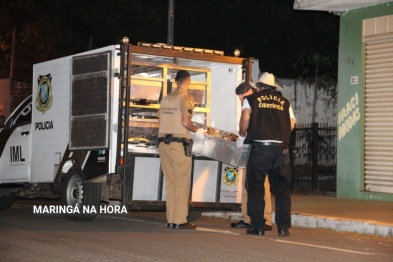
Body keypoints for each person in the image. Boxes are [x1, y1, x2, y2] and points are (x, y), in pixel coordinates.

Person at [236, 72, 296, 237]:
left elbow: (245, 119)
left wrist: (242, 134)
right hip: (281, 149)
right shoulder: (285, 102)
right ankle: (283, 227)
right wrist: (280, 136)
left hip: (260, 148)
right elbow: (291, 124)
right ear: (273, 87)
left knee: (256, 187)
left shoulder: (251, 100)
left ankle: (258, 226)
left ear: (259, 86)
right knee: (282, 190)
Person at [157, 70, 206, 230]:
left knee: (170, 183)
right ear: (187, 81)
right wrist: (197, 130)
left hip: (163, 144)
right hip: (178, 145)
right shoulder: (186, 98)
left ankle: (171, 220)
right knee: (182, 183)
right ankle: (180, 220)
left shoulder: (165, 99)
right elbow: (186, 122)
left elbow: (160, 120)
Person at [230, 82, 273, 231]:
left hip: (257, 146)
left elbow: (245, 121)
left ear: (250, 91)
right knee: (249, 183)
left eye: (243, 95)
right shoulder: (258, 101)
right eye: (240, 96)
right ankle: (250, 218)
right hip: (259, 145)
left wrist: (241, 138)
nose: (241, 99)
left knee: (259, 184)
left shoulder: (254, 101)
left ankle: (262, 219)